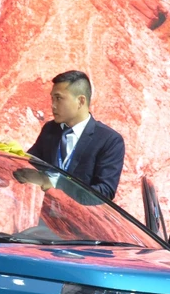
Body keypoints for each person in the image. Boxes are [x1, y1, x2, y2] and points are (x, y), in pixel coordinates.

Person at [27, 70, 125, 201]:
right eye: (52, 98)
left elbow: (105, 191)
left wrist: (57, 183)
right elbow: (30, 164)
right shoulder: (50, 129)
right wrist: (10, 152)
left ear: (80, 101)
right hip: (48, 212)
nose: (53, 105)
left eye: (58, 98)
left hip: (79, 214)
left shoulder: (109, 140)